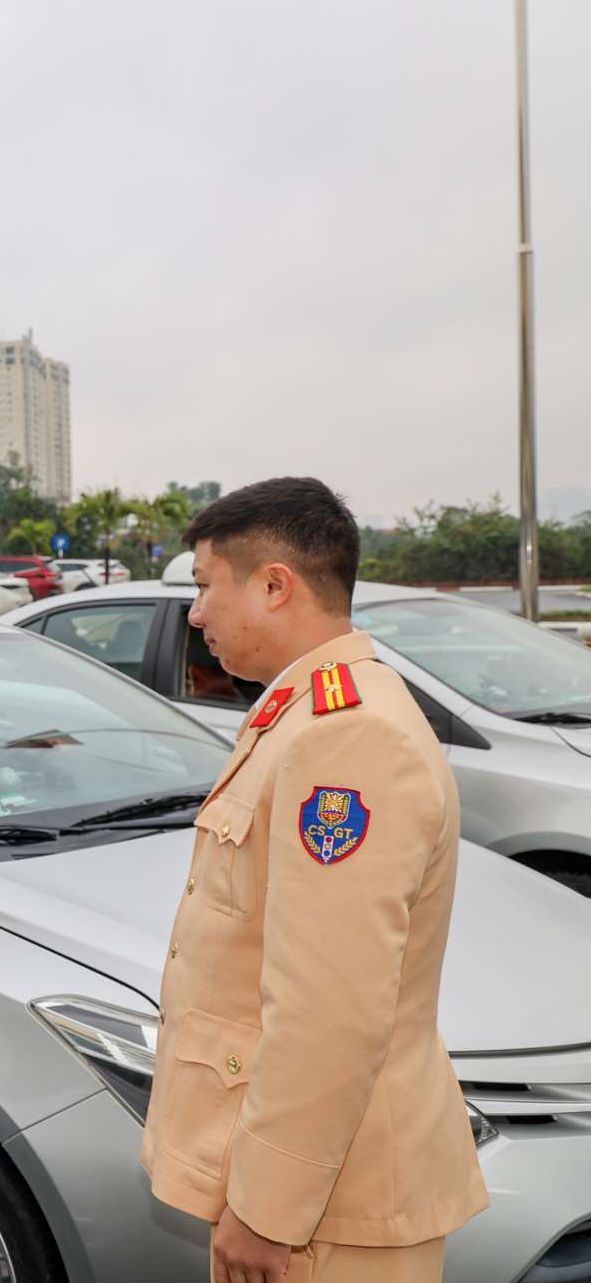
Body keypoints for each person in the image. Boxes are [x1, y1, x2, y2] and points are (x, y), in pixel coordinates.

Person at [139, 478, 485, 1283]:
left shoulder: (346, 737)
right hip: (320, 1198)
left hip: (326, 1216)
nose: (194, 614)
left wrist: (268, 1208)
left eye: (204, 587)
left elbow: (330, 1006)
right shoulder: (300, 711)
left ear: (273, 585)